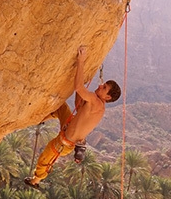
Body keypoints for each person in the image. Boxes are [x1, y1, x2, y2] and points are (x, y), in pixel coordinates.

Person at [24, 46, 121, 188]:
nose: (100, 86)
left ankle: (36, 180)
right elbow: (78, 103)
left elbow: (78, 89)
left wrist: (81, 62)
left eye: (104, 88)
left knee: (46, 157)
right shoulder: (97, 104)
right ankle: (40, 119)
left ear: (107, 97)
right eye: (103, 84)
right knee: (61, 107)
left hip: (65, 142)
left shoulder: (96, 101)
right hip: (68, 126)